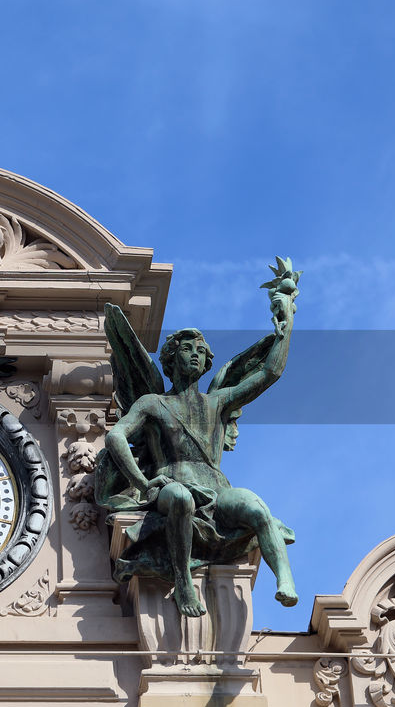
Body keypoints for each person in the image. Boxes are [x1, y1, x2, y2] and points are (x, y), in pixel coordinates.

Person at [97, 261, 300, 617]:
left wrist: (286, 322)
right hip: (171, 485)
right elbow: (116, 436)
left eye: (199, 350)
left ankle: (284, 578)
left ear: (206, 363)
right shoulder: (152, 403)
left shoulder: (218, 402)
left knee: (254, 506)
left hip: (217, 490)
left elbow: (270, 372)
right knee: (178, 498)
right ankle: (183, 582)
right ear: (171, 359)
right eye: (186, 348)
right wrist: (143, 483)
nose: (194, 353)